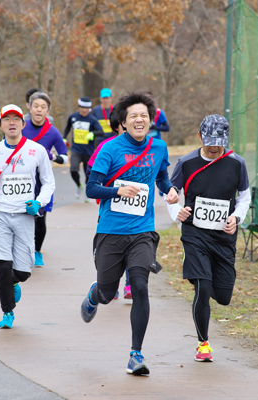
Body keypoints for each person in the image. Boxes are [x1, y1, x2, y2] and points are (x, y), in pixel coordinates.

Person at [80, 92, 179, 376]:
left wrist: (169, 190)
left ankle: (135, 354)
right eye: (133, 116)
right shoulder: (109, 150)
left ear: (151, 121)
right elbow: (91, 188)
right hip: (111, 230)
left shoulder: (158, 147)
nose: (139, 120)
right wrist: (117, 191)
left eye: (144, 116)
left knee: (140, 287)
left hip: (142, 231)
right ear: (123, 121)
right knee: (108, 291)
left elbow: (161, 177)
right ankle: (94, 293)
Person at [166, 115, 250, 362]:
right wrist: (176, 212)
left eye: (219, 142)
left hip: (223, 237)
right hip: (195, 233)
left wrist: (236, 217)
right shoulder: (187, 162)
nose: (215, 147)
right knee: (202, 287)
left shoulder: (236, 163)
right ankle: (203, 343)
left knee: (223, 297)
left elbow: (244, 197)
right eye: (210, 141)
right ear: (200, 136)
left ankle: (209, 282)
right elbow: (170, 194)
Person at [0, 104, 56, 328]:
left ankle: (14, 282)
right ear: (0, 125)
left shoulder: (36, 150)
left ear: (23, 124)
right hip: (0, 214)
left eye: (16, 119)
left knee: (22, 271)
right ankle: (7, 312)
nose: (12, 122)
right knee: (1, 265)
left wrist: (39, 202)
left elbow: (49, 182)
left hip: (25, 216)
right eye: (7, 119)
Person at [85, 110, 130, 300]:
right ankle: (112, 284)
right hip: (111, 207)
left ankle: (130, 284)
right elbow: (91, 171)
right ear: (118, 126)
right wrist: (109, 187)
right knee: (113, 250)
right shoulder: (106, 146)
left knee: (134, 244)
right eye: (123, 125)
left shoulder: (144, 146)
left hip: (136, 210)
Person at [22, 92, 68, 266]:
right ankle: (21, 250)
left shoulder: (53, 132)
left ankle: (37, 251)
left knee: (40, 218)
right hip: (22, 180)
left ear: (48, 111)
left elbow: (65, 157)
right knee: (21, 216)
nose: (39, 110)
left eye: (43, 107)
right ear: (29, 107)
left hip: (43, 182)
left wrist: (53, 157)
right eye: (36, 106)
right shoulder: (21, 126)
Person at [63, 96, 103, 199]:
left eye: (87, 108)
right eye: (82, 107)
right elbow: (67, 128)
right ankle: (78, 185)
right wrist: (64, 138)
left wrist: (92, 134)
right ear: (79, 107)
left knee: (88, 174)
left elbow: (101, 131)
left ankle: (86, 188)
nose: (84, 110)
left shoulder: (92, 119)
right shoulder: (73, 117)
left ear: (89, 109)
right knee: (73, 169)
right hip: (76, 149)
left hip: (88, 151)